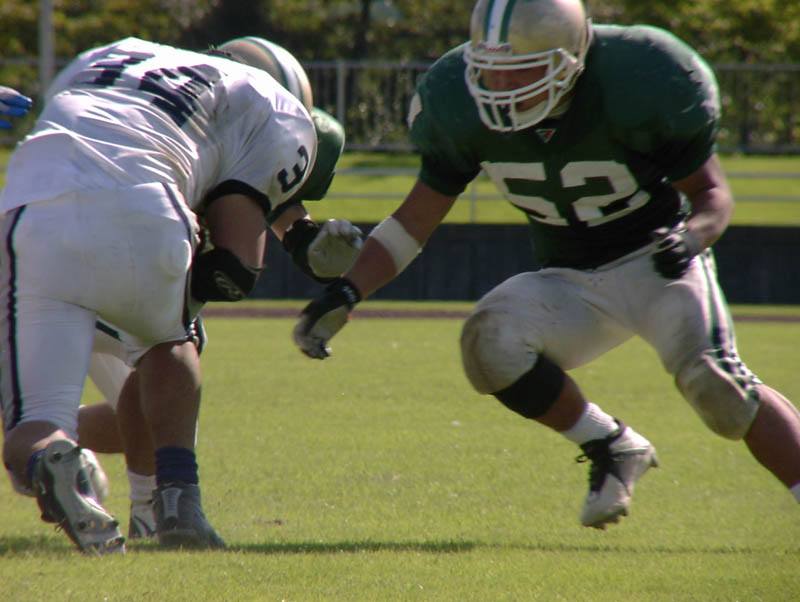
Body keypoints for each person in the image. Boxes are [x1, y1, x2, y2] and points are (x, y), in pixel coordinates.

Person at [293, 0, 800, 529]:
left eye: (522, 70)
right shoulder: (459, 103)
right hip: (570, 278)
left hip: (657, 265)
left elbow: (712, 195)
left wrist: (692, 236)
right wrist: (347, 291)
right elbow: (413, 221)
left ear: (572, 57)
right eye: (490, 69)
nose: (501, 86)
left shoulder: (637, 79)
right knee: (489, 344)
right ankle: (611, 445)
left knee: (718, 389)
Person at [0, 35, 359, 555]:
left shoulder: (109, 54)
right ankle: (171, 504)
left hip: (31, 216)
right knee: (170, 341)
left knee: (35, 424)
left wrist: (304, 239)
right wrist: (196, 279)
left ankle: (49, 457)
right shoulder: (271, 105)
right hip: (144, 207)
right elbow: (235, 266)